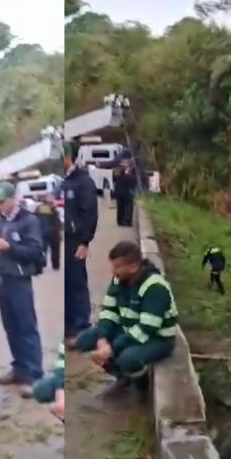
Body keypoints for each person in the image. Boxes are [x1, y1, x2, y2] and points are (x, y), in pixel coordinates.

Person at [76, 240, 177, 399]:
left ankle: (142, 386)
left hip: (157, 338)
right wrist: (102, 337)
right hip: (128, 329)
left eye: (117, 267)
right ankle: (123, 378)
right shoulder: (119, 280)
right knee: (85, 340)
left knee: (128, 358)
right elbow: (109, 311)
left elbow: (147, 328)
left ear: (134, 267)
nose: (113, 271)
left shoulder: (155, 287)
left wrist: (112, 348)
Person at [0, 181, 46, 395]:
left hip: (20, 280)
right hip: (2, 279)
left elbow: (34, 251)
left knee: (26, 327)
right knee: (11, 327)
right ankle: (19, 368)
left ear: (13, 199)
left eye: (2, 202)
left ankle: (34, 375)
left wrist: (9, 248)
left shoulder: (29, 221)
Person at [61, 143, 99, 345]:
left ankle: (82, 329)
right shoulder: (63, 182)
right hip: (62, 240)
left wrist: (85, 242)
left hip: (76, 241)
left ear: (69, 157)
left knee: (77, 283)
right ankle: (68, 327)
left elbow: (90, 213)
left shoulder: (82, 182)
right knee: (65, 285)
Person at [35, 193, 62, 271]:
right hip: (52, 233)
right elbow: (57, 221)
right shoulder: (52, 209)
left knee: (43, 250)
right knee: (55, 251)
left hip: (43, 232)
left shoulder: (39, 208)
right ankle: (55, 266)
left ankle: (41, 266)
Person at [114, 159, 138, 227]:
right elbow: (133, 181)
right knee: (127, 206)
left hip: (120, 191)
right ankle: (126, 221)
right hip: (126, 191)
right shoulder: (126, 172)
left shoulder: (118, 171)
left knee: (121, 206)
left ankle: (121, 221)